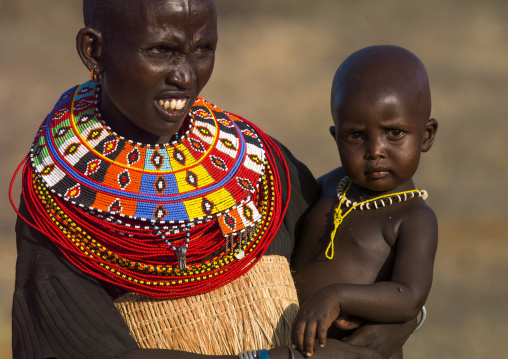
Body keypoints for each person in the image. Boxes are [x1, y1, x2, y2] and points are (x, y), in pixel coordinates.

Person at [11, 2, 416, 358]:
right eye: (161, 50)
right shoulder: (60, 207)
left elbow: (372, 277)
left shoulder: (260, 164)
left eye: (203, 49)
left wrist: (378, 339)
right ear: (93, 50)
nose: (186, 76)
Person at [291, 45, 438, 359]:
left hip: (363, 353)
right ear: (336, 137)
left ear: (426, 136)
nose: (375, 150)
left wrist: (337, 297)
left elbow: (408, 296)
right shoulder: (329, 186)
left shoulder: (414, 218)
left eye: (394, 133)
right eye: (355, 136)